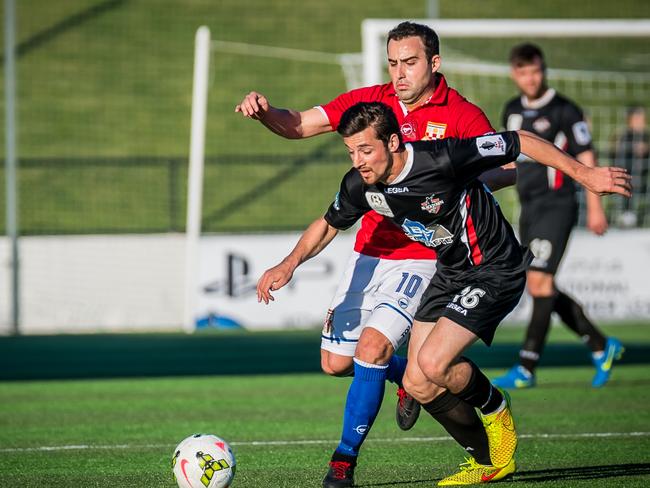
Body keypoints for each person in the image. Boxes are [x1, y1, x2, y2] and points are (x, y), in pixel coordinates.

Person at [256, 101, 630, 485]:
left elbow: (519, 141)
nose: (359, 161)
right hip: (450, 273)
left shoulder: (443, 157)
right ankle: (488, 461)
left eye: (366, 150)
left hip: (495, 268)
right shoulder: (361, 184)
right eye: (351, 151)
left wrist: (585, 175)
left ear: (394, 142)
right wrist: (288, 263)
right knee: (418, 382)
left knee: (434, 363)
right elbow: (328, 224)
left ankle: (496, 406)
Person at [237, 21, 513, 487]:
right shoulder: (372, 102)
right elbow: (300, 123)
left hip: (426, 253)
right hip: (368, 250)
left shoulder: (462, 114)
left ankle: (343, 462)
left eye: (409, 63)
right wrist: (265, 112)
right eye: (393, 63)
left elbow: (505, 168)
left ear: (434, 63)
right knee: (337, 364)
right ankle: (403, 377)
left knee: (372, 347)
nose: (399, 73)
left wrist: (442, 184)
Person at [493, 43, 625, 390]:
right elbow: (509, 158)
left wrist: (595, 205)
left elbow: (586, 153)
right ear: (514, 74)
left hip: (558, 203)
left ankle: (526, 366)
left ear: (543, 69)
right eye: (523, 72)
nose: (530, 78)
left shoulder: (565, 109)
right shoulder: (511, 110)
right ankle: (600, 344)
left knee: (538, 282)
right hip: (529, 207)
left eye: (535, 70)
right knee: (541, 283)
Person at [610, 105, 649, 227]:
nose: (641, 122)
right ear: (629, 120)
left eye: (642, 119)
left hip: (643, 179)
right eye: (637, 119)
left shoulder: (646, 137)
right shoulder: (623, 136)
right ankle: (624, 216)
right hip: (627, 178)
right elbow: (614, 153)